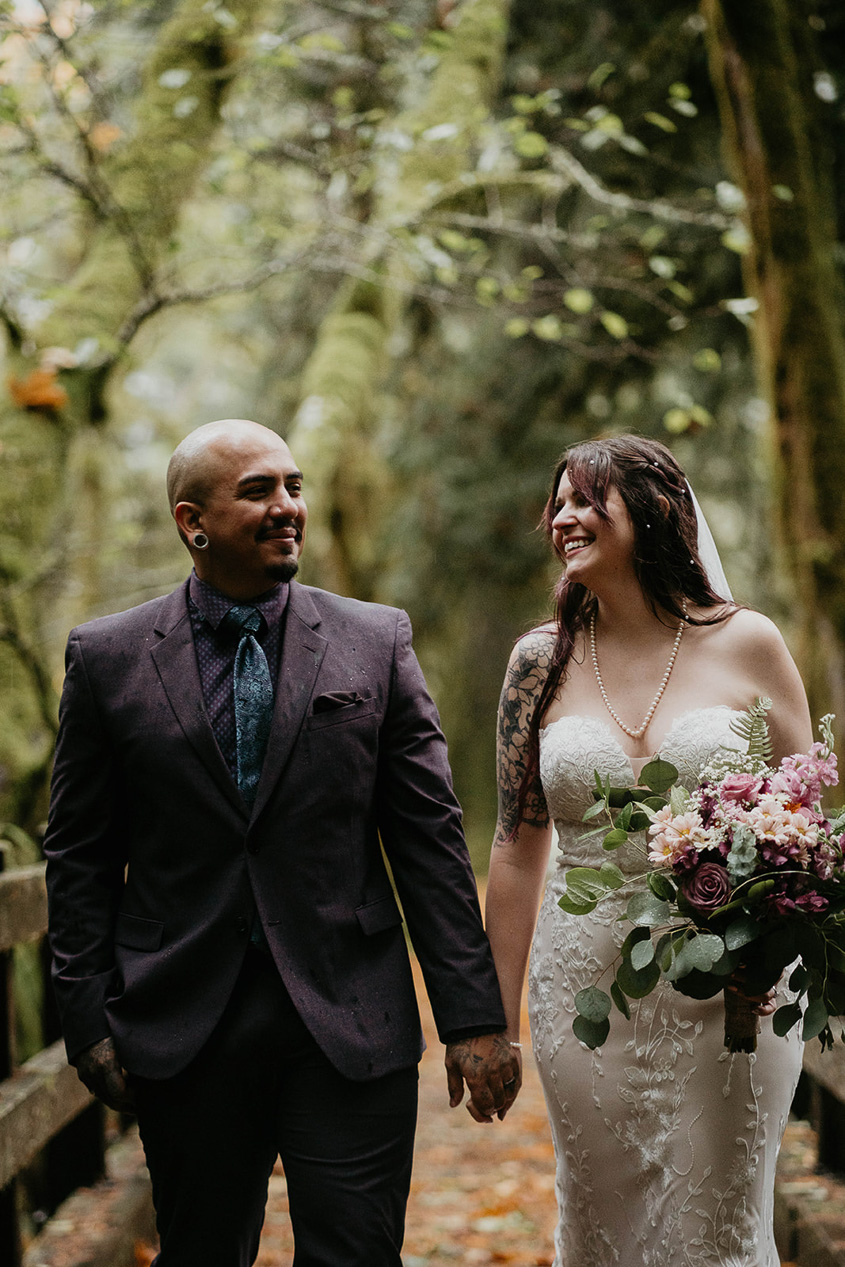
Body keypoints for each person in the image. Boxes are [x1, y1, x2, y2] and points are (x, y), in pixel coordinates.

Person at [44, 418, 520, 1267]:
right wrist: (86, 1018)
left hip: (350, 1015)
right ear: (192, 520)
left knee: (355, 1255)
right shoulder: (107, 657)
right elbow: (78, 854)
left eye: (294, 486)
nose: (287, 506)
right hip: (182, 1021)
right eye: (258, 490)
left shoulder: (375, 640)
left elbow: (428, 840)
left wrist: (473, 1016)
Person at [484, 434, 811, 1266]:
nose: (561, 517)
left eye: (586, 500)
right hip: (584, 994)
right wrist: (494, 1021)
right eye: (556, 502)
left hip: (734, 989)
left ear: (656, 512)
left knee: (720, 1225)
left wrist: (769, 956)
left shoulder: (749, 643)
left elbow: (804, 824)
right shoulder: (537, 663)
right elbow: (516, 848)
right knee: (601, 1219)